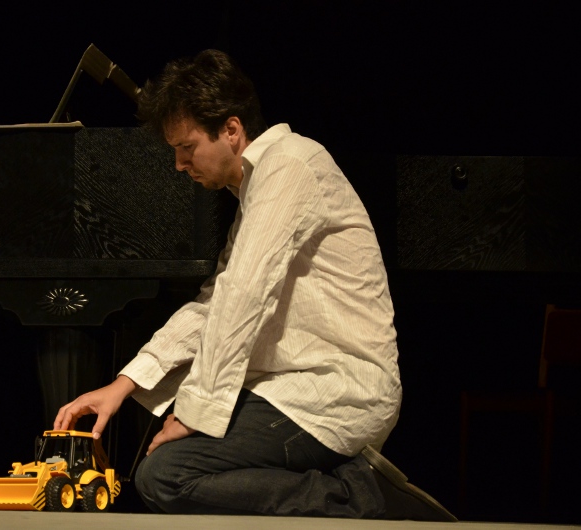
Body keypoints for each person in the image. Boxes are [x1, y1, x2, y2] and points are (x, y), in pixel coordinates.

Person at [54, 49, 456, 521]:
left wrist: (198, 411)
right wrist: (123, 385)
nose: (179, 164)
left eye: (187, 148)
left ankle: (364, 497)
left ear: (231, 129)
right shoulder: (258, 187)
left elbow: (243, 295)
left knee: (165, 475)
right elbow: (214, 303)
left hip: (336, 390)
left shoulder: (291, 166)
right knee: (164, 464)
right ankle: (344, 481)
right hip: (290, 390)